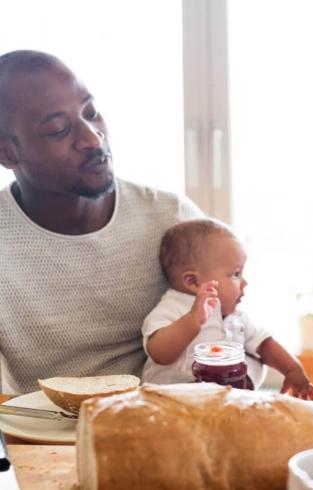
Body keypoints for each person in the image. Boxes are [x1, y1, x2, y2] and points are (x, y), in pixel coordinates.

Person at [0, 50, 202, 394]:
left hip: (163, 426)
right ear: (7, 153)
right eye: (58, 129)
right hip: (33, 440)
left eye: (91, 113)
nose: (93, 139)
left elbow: (232, 339)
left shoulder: (174, 221)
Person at [141, 218, 313, 399]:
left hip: (222, 400)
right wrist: (193, 320)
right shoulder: (173, 307)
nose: (244, 282)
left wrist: (293, 370)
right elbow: (159, 353)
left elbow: (265, 345)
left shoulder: (236, 317)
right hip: (170, 401)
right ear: (193, 282)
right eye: (235, 274)